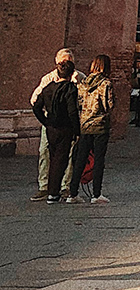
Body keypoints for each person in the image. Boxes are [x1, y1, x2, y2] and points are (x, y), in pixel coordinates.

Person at [29, 50, 84, 201]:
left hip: (65, 124)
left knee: (68, 155)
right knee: (45, 152)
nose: (65, 64)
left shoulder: (80, 78)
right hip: (52, 123)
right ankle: (44, 186)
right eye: (63, 62)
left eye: (68, 62)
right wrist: (45, 121)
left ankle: (64, 186)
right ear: (57, 63)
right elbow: (35, 100)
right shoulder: (48, 79)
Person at [70, 55, 115, 204]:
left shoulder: (83, 82)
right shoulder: (106, 83)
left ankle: (73, 193)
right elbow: (109, 105)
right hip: (100, 126)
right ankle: (96, 194)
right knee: (98, 160)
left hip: (85, 125)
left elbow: (79, 103)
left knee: (81, 159)